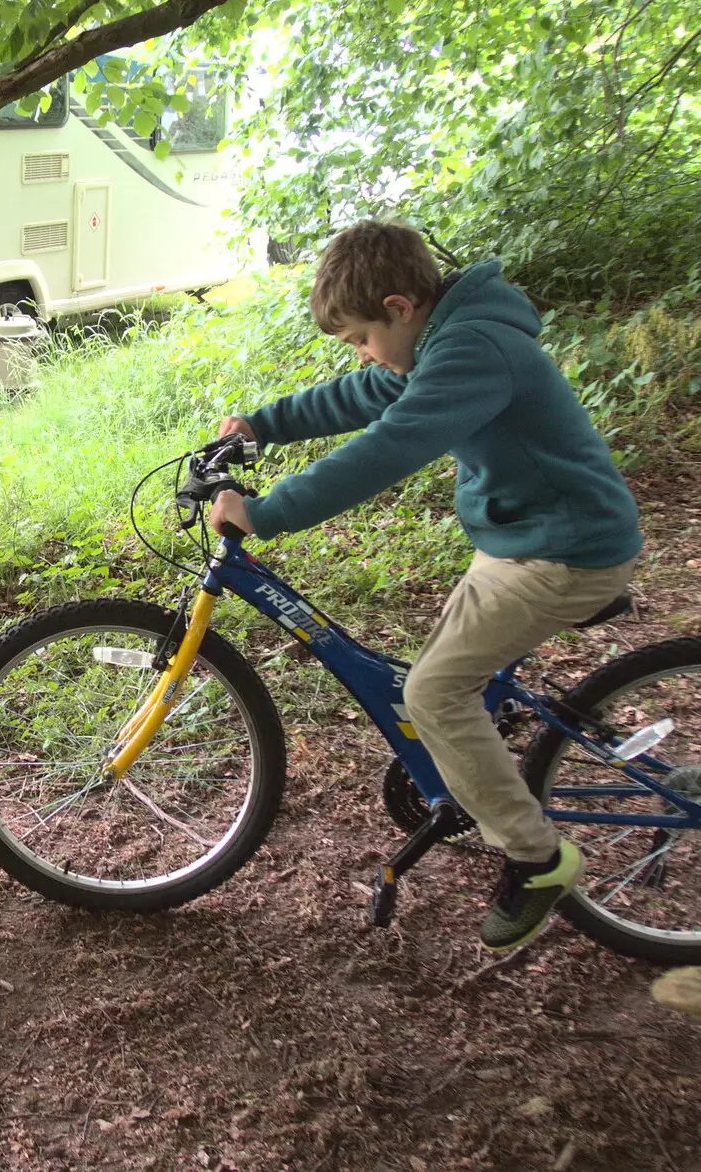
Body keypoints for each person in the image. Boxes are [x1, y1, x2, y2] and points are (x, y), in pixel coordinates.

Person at [210, 220, 641, 951]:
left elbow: (391, 443)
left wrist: (268, 510)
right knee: (445, 684)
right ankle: (482, 764)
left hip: (565, 550)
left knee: (433, 693)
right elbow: (364, 393)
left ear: (402, 307)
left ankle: (537, 859)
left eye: (360, 334)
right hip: (522, 540)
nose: (361, 351)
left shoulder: (473, 351)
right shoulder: (444, 338)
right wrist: (260, 424)